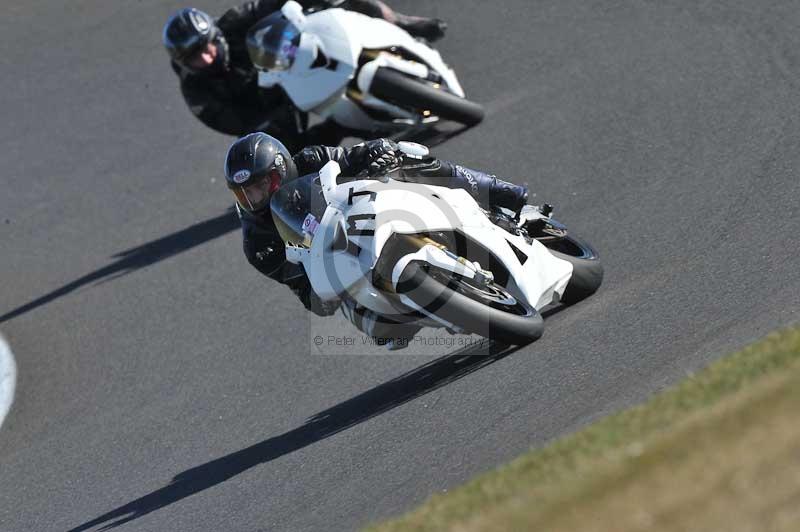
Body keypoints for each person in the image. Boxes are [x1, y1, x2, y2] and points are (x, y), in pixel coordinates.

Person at [224, 133, 529, 347]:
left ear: (281, 168)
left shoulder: (310, 159)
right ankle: (441, 310)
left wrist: (380, 152)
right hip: (337, 257)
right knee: (380, 330)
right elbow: (301, 288)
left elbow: (352, 155)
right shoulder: (258, 243)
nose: (255, 198)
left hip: (367, 209)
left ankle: (501, 193)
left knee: (411, 158)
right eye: (245, 193)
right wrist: (318, 296)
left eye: (262, 185)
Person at [163, 1, 447, 151]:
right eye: (193, 57)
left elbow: (269, 5)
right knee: (284, 150)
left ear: (214, 34)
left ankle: (405, 25)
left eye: (205, 46)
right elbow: (233, 123)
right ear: (184, 63)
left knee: (351, 3)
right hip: (271, 106)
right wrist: (270, 119)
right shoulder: (196, 92)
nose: (205, 57)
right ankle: (352, 129)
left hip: (290, 59)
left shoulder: (233, 22)